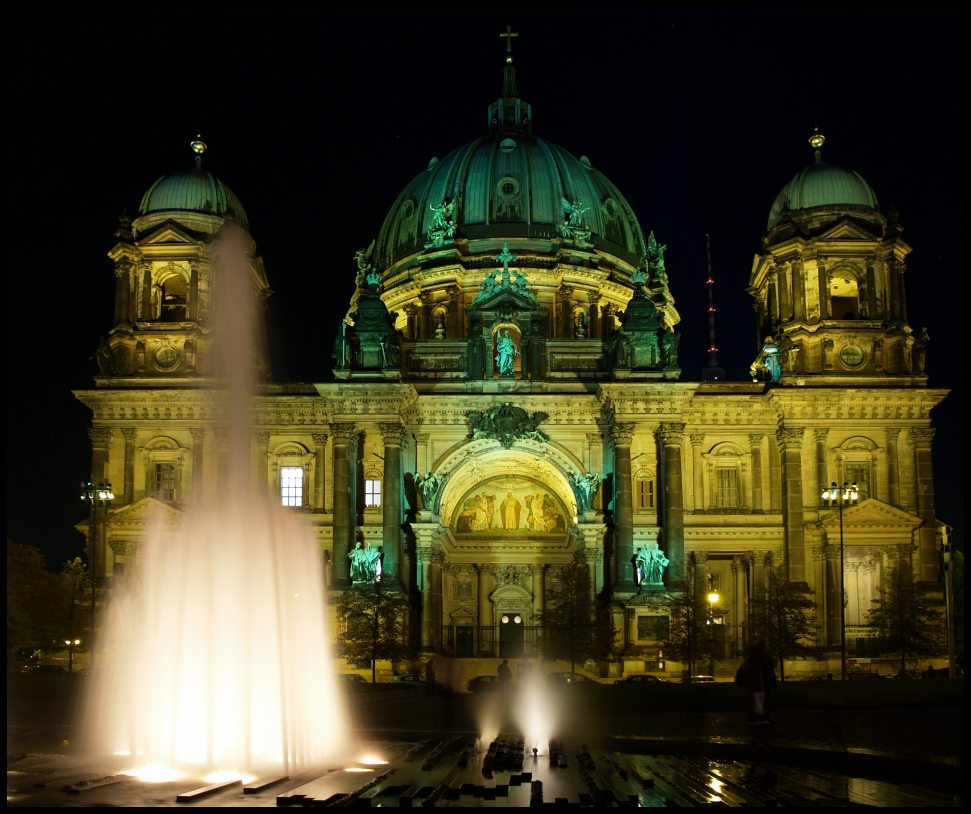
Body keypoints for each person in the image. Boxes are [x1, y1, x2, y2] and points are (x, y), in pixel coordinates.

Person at [739, 639, 776, 724]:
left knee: (757, 702)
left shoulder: (752, 659)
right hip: (759, 684)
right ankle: (759, 719)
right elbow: (762, 670)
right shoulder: (757, 658)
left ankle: (759, 719)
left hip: (758, 684)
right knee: (759, 702)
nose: (767, 648)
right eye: (766, 646)